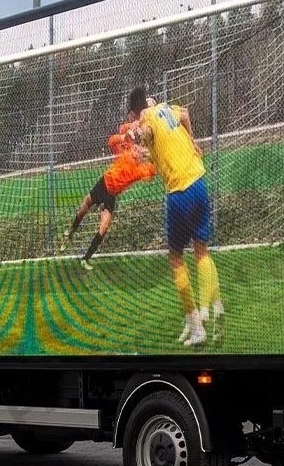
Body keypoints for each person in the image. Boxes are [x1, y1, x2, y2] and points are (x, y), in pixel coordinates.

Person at [128, 87, 223, 347]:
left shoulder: (146, 118)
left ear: (135, 112)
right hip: (199, 181)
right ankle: (208, 310)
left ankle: (196, 326)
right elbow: (185, 116)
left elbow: (146, 132)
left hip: (180, 192)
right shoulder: (166, 109)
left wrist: (135, 135)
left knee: (175, 258)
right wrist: (192, 140)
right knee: (201, 251)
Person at [60, 117, 155, 270]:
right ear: (134, 146)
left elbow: (151, 174)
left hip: (111, 195)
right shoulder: (124, 151)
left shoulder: (140, 170)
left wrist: (153, 156)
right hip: (103, 184)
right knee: (84, 208)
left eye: (142, 149)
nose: (139, 150)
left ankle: (85, 259)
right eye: (138, 147)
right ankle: (71, 231)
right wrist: (125, 136)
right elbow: (111, 142)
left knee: (103, 228)